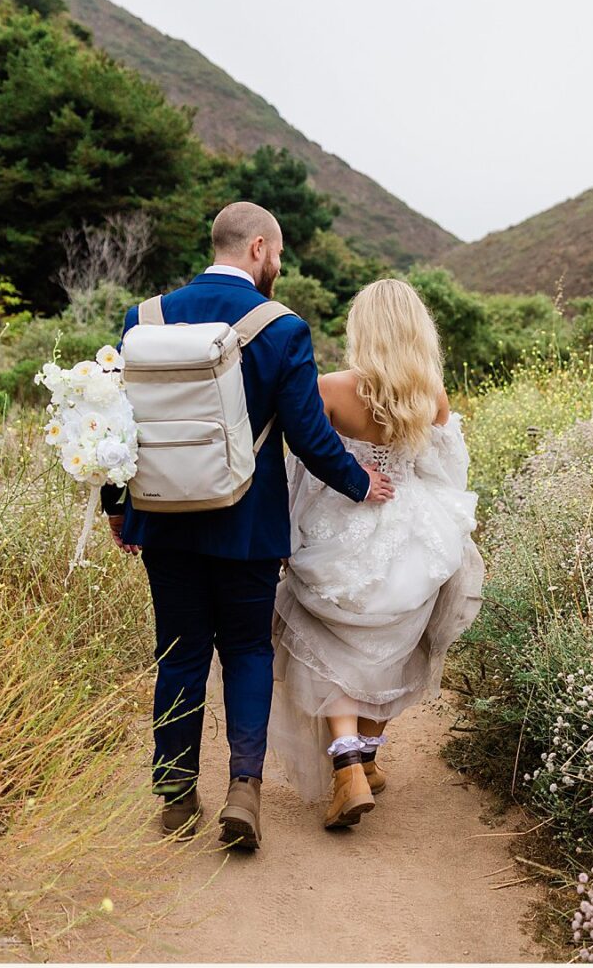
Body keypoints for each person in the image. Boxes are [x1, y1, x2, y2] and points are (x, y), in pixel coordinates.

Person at [102, 201, 396, 850]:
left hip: (165, 521)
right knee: (246, 651)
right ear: (259, 248)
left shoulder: (143, 319)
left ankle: (176, 795)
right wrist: (359, 482)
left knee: (178, 655)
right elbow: (308, 435)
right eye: (280, 255)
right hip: (247, 526)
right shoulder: (282, 327)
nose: (280, 267)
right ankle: (244, 791)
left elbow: (116, 426)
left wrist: (119, 508)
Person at [267, 278, 484, 829]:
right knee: (390, 646)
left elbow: (305, 468)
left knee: (327, 640)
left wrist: (290, 535)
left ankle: (347, 765)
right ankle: (366, 754)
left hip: (341, 522)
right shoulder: (430, 395)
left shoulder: (330, 389)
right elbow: (445, 474)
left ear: (363, 329)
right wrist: (439, 527)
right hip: (410, 529)